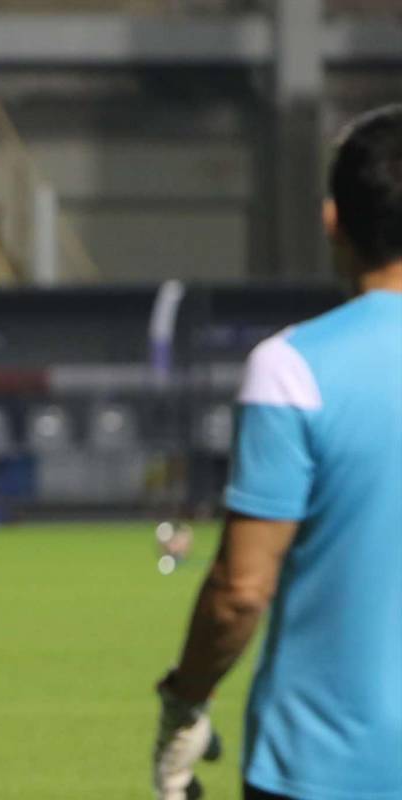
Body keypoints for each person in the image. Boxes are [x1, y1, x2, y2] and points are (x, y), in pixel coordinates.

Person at [153, 105, 402, 800]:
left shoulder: (291, 367)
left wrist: (184, 702)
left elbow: (240, 591)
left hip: (324, 765)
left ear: (334, 221)